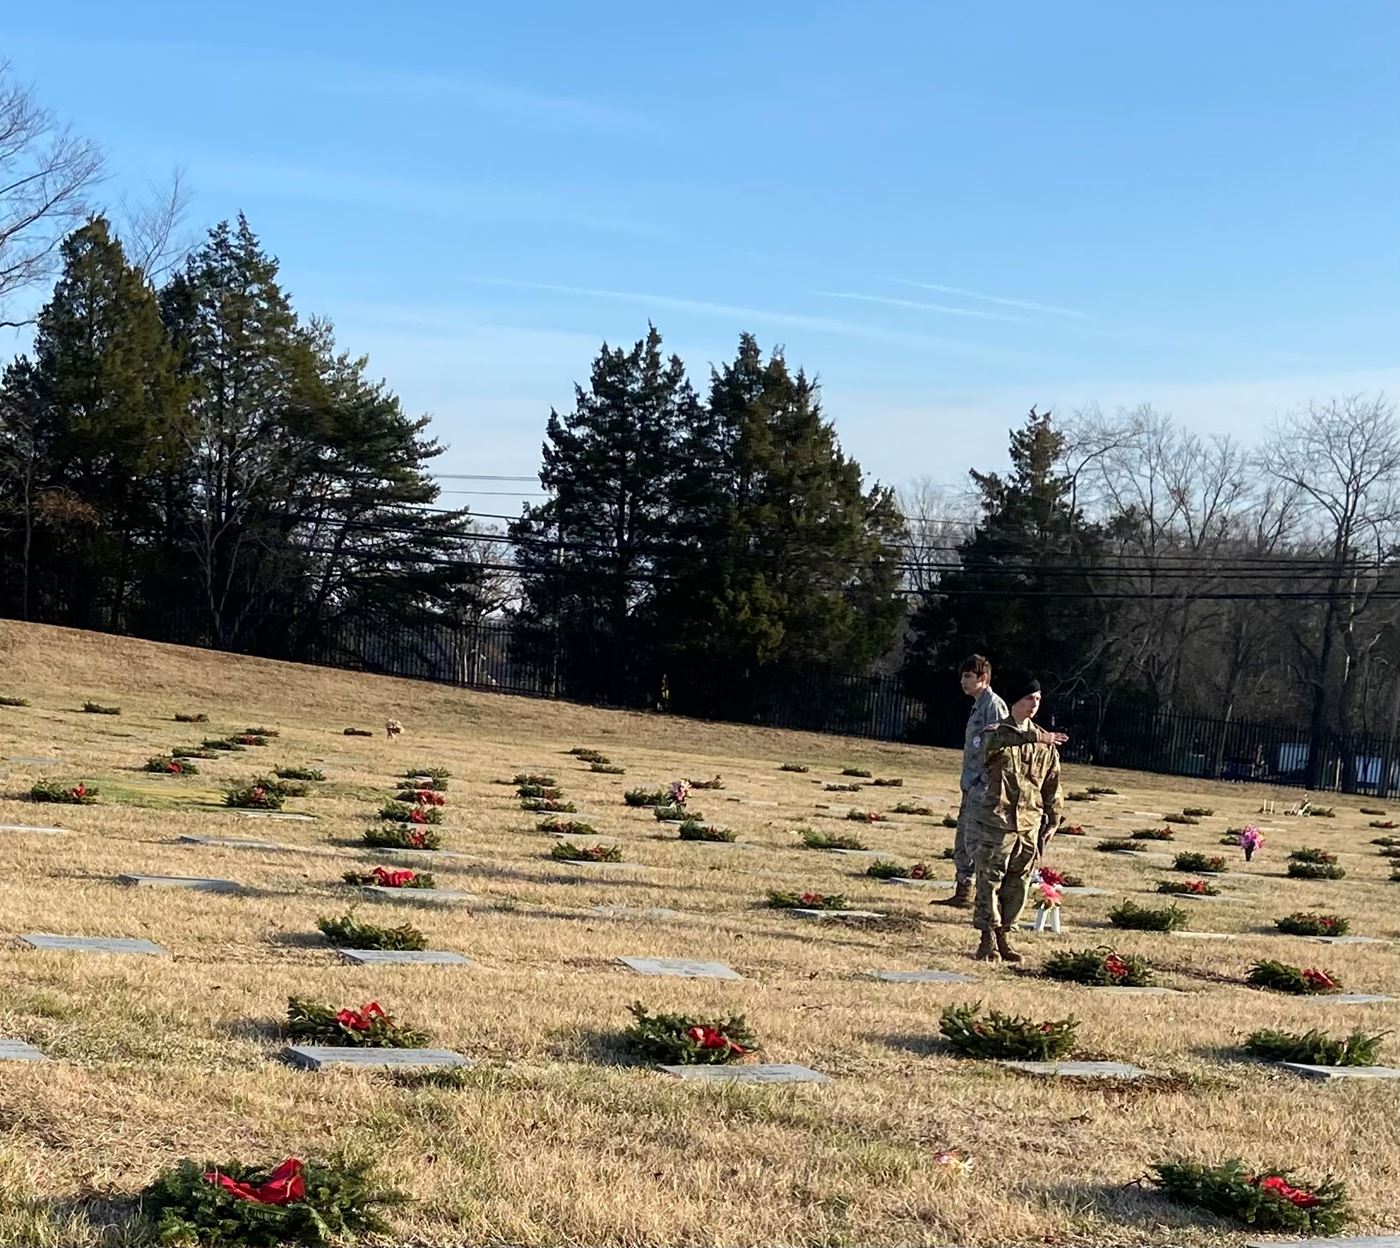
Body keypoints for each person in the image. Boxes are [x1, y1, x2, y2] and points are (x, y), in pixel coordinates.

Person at [969, 672, 1068, 963]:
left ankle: (1004, 936)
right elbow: (992, 745)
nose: (1033, 704)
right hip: (997, 822)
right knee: (989, 880)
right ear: (1015, 701)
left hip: (1028, 824)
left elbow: (1052, 782)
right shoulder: (996, 732)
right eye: (1028, 698)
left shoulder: (1044, 743)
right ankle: (986, 937)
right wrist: (1037, 735)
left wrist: (1054, 819)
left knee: (1018, 883)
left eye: (1037, 699)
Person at [933, 654, 1008, 909]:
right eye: (963, 676)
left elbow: (999, 749)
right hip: (971, 784)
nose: (963, 682)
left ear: (983, 678)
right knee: (963, 839)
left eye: (968, 677)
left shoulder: (993, 707)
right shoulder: (978, 706)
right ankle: (962, 891)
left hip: (983, 786)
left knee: (977, 841)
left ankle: (986, 895)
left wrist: (984, 784)